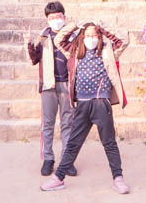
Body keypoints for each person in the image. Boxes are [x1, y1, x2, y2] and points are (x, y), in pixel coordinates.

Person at [40, 20, 130, 194]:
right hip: (82, 105)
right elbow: (59, 40)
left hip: (101, 104)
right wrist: (74, 25)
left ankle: (118, 179)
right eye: (88, 35)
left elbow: (123, 41)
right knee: (73, 143)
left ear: (99, 37)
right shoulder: (74, 53)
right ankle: (58, 178)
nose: (91, 38)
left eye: (95, 35)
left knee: (109, 143)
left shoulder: (107, 51)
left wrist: (102, 27)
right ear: (82, 37)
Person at [24, 1, 77, 177]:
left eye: (58, 17)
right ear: (47, 19)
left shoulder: (73, 36)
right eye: (52, 17)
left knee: (68, 123)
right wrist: (29, 44)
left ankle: (67, 160)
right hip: (48, 85)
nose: (56, 20)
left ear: (64, 17)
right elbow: (34, 59)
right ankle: (48, 158)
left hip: (67, 84)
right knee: (47, 124)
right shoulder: (43, 37)